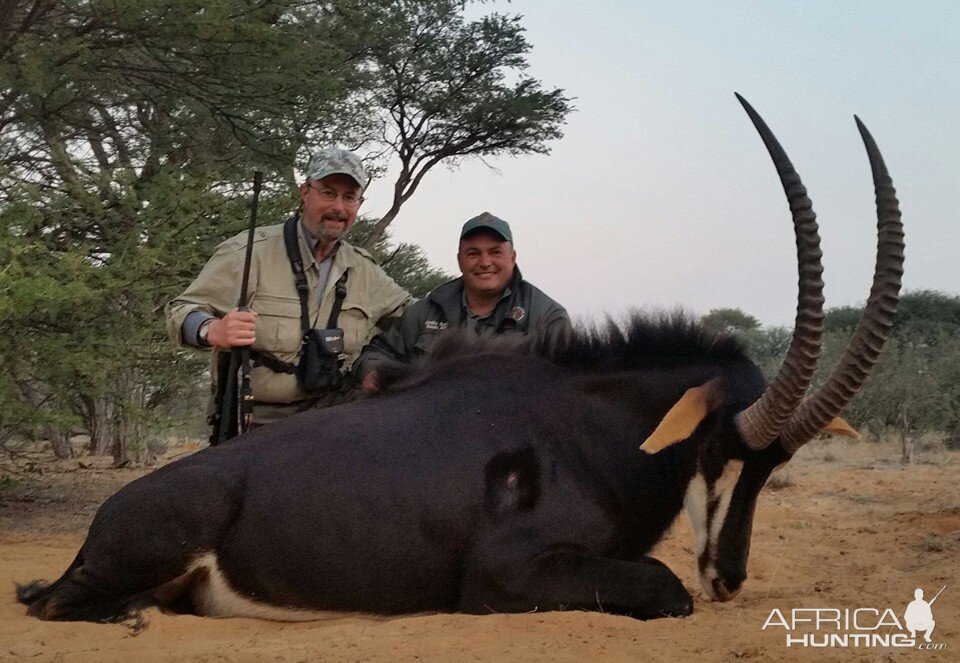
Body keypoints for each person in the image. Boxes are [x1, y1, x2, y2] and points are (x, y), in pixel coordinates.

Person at [166, 148, 412, 424]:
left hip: (334, 420)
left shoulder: (366, 270)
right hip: (256, 422)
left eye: (349, 197)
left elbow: (418, 321)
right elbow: (182, 310)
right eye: (328, 193)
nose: (339, 208)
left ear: (360, 202)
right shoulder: (249, 251)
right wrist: (212, 330)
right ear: (305, 192)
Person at [353, 212, 572, 391]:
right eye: (473, 254)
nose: (485, 262)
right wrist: (372, 372)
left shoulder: (547, 317)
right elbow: (376, 354)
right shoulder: (427, 310)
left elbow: (565, 387)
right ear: (460, 260)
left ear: (512, 258)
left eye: (495, 252)